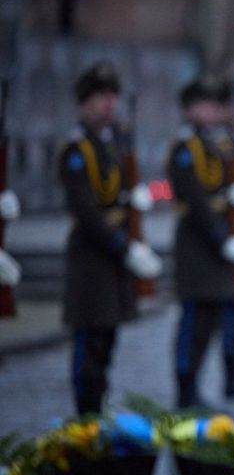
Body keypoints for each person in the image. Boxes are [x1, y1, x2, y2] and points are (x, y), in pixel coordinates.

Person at [59, 62, 162, 414]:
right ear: (83, 103)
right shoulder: (78, 151)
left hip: (112, 261)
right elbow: (86, 210)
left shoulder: (113, 146)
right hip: (92, 258)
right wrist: (124, 246)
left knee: (105, 344)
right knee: (89, 344)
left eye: (112, 96)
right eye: (100, 97)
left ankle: (96, 410)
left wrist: (132, 201)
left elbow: (117, 194)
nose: (108, 104)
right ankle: (84, 416)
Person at [167, 75, 234, 408]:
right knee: (193, 323)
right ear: (190, 108)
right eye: (204, 104)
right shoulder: (186, 148)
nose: (212, 111)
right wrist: (224, 241)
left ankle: (200, 388)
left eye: (215, 105)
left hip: (219, 248)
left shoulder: (217, 145)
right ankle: (185, 390)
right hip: (198, 247)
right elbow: (197, 203)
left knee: (211, 323)